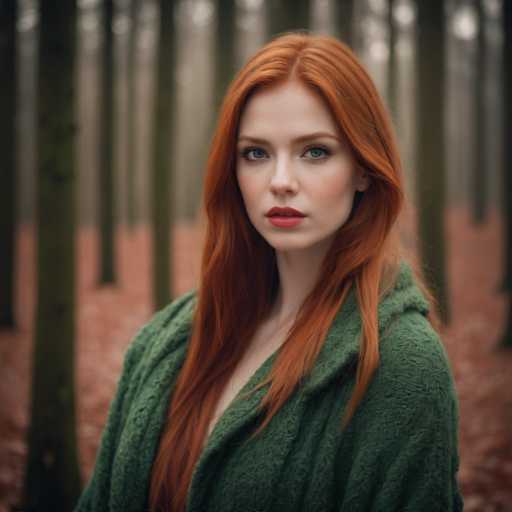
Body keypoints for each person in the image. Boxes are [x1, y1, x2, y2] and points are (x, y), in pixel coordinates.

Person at [74, 32, 464, 512]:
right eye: (256, 153)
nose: (280, 181)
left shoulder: (403, 367)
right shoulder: (164, 341)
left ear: (364, 169)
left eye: (315, 151)